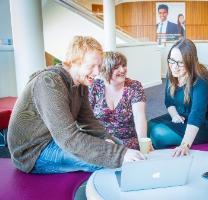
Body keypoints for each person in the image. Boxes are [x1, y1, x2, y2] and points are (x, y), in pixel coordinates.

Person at [7, 36, 145, 174]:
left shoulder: (80, 84)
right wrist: (120, 154)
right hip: (33, 151)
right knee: (110, 160)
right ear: (73, 63)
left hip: (55, 139)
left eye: (99, 66)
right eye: (91, 66)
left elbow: (89, 122)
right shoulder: (48, 83)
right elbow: (68, 138)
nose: (97, 72)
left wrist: (114, 142)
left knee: (123, 152)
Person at [148, 39, 208, 156]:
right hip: (182, 116)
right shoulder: (172, 73)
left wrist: (185, 145)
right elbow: (168, 102)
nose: (174, 67)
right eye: (172, 61)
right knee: (149, 125)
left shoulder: (201, 79)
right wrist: (174, 115)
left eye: (181, 63)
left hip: (203, 123)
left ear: (191, 62)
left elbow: (197, 115)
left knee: (157, 133)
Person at [88, 52, 148, 150]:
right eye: (116, 67)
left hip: (127, 141)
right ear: (105, 70)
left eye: (124, 65)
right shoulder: (94, 87)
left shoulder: (134, 86)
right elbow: (86, 118)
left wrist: (143, 144)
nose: (122, 70)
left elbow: (139, 116)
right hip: (102, 140)